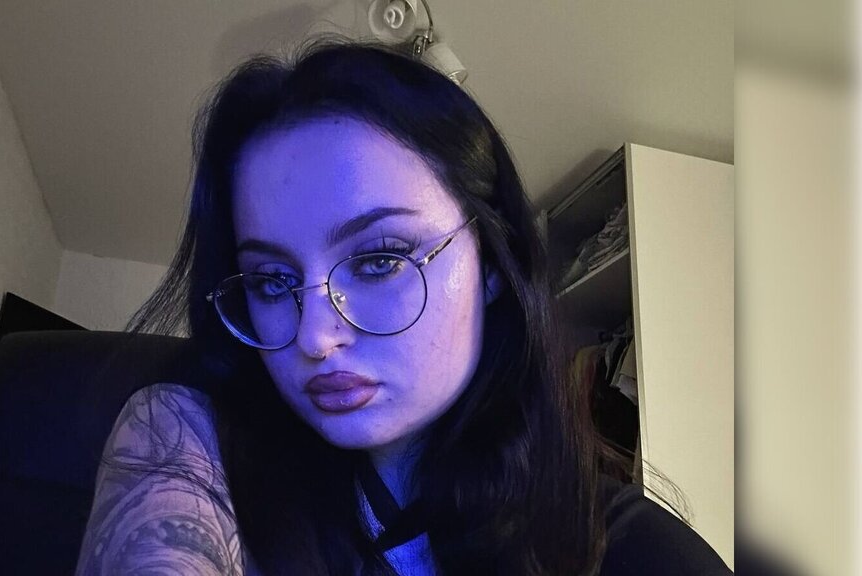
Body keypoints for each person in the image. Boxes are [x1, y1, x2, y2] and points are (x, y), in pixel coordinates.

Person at [75, 39, 731, 575]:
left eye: (379, 260)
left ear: (492, 263)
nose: (314, 337)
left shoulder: (618, 546)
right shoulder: (196, 440)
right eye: (272, 281)